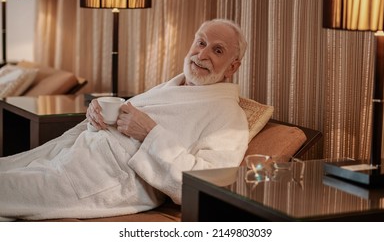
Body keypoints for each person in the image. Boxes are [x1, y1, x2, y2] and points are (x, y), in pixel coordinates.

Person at [0, 19, 249, 221]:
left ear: (232, 67)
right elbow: (125, 120)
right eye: (201, 42)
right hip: (77, 151)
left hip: (105, 177)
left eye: (217, 50)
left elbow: (208, 185)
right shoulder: (173, 86)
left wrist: (151, 134)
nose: (202, 54)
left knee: (7, 189)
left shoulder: (229, 118)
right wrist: (96, 116)